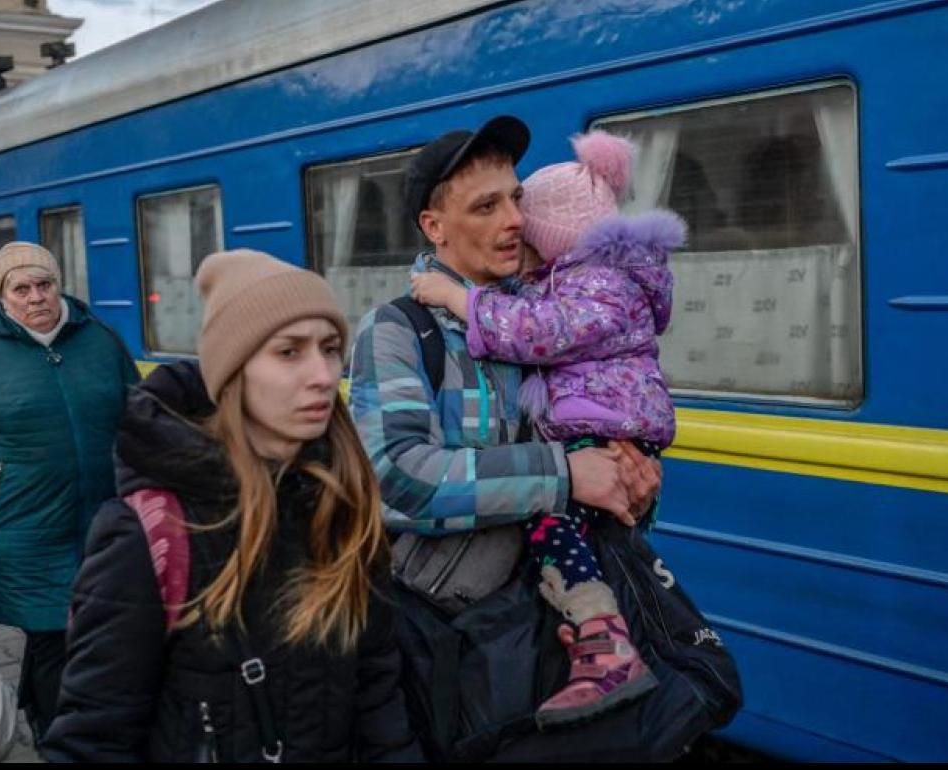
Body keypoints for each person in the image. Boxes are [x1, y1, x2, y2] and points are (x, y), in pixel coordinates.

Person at [348, 115, 662, 738]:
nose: (515, 219)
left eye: (516, 198)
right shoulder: (397, 331)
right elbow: (398, 479)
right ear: (434, 227)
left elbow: (598, 454)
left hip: (556, 641)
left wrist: (632, 484)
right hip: (450, 644)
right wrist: (563, 474)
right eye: (486, 206)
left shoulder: (555, 319)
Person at [41, 249, 421, 762]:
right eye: (289, 352)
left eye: (330, 349)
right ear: (234, 371)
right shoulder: (148, 536)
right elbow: (92, 741)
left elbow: (379, 702)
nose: (323, 375)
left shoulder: (343, 509)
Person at [0, 242, 139, 744]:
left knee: (95, 630)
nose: (36, 297)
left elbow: (143, 423)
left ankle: (65, 724)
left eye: (45, 285)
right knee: (54, 633)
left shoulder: (100, 341)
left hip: (105, 522)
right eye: (22, 289)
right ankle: (60, 737)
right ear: (2, 296)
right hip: (22, 532)